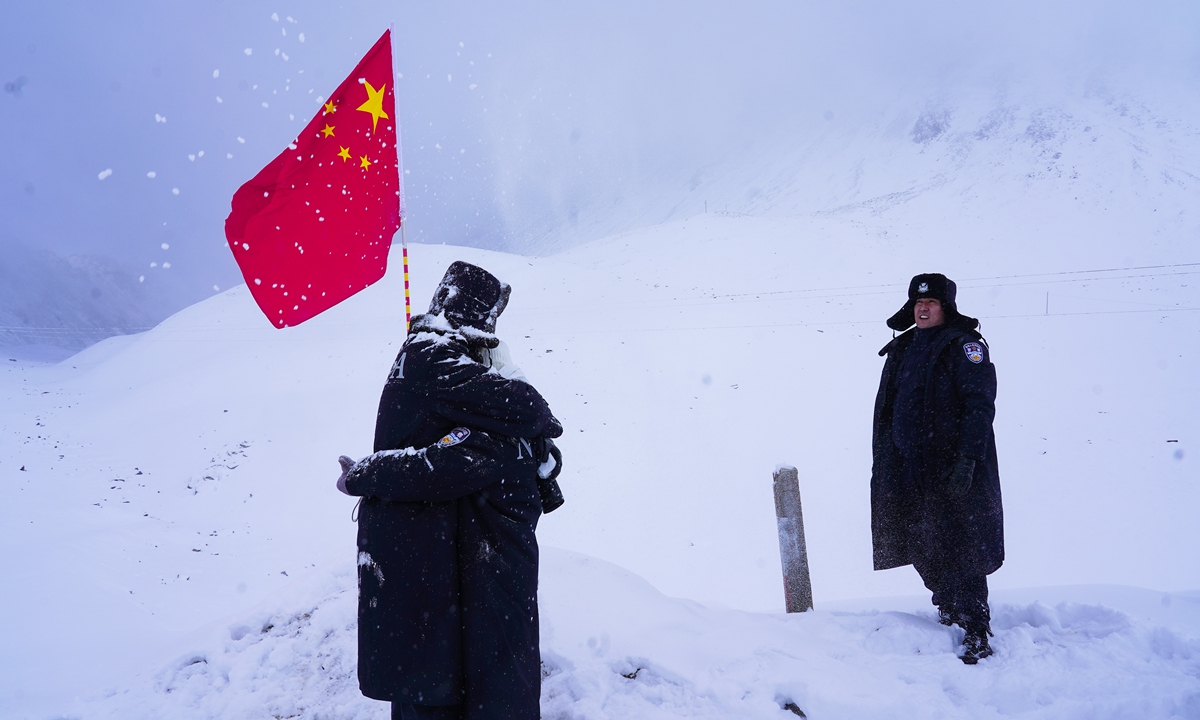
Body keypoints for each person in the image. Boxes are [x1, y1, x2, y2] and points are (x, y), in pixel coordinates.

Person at [338, 261, 563, 719]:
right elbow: (527, 410)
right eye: (489, 320)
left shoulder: (439, 362)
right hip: (423, 546)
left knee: (438, 676)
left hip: (438, 545)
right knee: (438, 680)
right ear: (473, 314)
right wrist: (534, 421)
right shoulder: (429, 352)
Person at [871, 273, 1004, 664]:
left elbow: (980, 405)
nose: (923, 308)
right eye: (918, 303)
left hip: (953, 468)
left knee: (962, 543)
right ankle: (947, 606)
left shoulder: (965, 348)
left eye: (931, 303)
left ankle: (976, 626)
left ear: (946, 307)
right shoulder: (904, 348)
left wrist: (968, 461)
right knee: (918, 540)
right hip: (908, 468)